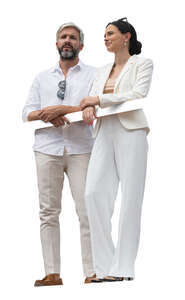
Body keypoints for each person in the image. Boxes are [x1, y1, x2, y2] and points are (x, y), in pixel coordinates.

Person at [22, 22, 97, 286]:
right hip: (47, 150)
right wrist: (47, 114)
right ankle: (52, 274)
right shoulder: (42, 77)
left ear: (81, 45)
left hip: (81, 149)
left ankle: (93, 272)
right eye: (63, 37)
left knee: (88, 210)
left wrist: (59, 109)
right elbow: (27, 113)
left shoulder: (94, 75)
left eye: (73, 38)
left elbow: (91, 107)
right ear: (56, 44)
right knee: (48, 212)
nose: (68, 41)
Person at [79, 17, 153, 282]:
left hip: (131, 130)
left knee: (131, 198)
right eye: (104, 34)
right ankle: (105, 266)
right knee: (93, 193)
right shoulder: (100, 71)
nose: (106, 38)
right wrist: (89, 106)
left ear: (126, 37)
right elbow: (88, 99)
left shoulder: (142, 64)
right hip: (103, 131)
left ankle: (124, 268)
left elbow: (137, 93)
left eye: (110, 33)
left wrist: (97, 99)